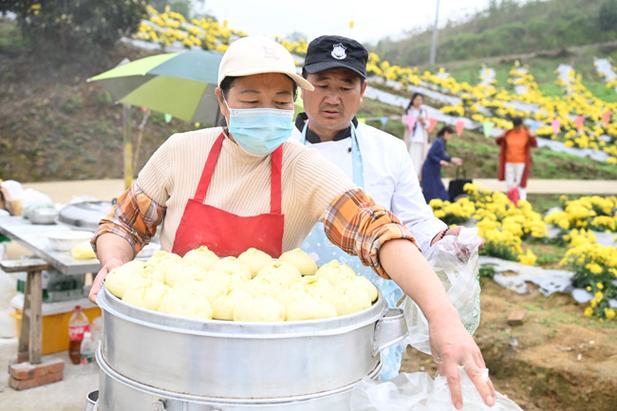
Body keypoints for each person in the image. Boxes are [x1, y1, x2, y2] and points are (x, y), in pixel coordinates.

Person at [89, 36, 495, 410]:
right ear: (223, 100)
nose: (268, 111)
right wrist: (113, 261)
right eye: (251, 100)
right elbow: (124, 224)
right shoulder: (181, 151)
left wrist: (442, 316)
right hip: (171, 347)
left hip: (260, 359)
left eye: (281, 101)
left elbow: (376, 231)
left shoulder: (301, 166)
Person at [292, 35, 460, 379]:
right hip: (289, 307)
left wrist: (444, 237)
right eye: (321, 84)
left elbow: (413, 219)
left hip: (368, 309)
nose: (332, 98)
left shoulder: (388, 149)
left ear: (363, 90)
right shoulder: (279, 146)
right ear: (302, 85)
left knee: (365, 391)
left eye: (345, 87)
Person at [496, 117, 537, 201]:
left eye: (518, 126)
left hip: (521, 162)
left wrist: (532, 137)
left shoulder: (526, 133)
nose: (517, 128)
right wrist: (500, 136)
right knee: (509, 183)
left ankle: (522, 201)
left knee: (520, 183)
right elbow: (498, 142)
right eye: (515, 126)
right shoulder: (508, 133)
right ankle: (510, 200)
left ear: (521, 125)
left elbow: (534, 144)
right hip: (508, 161)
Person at [422, 126, 463, 202]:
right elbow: (430, 154)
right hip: (429, 170)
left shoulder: (442, 143)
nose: (450, 137)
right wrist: (440, 161)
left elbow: (443, 156)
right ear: (446, 133)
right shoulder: (438, 142)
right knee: (430, 191)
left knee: (438, 191)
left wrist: (452, 159)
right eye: (450, 135)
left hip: (435, 170)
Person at [403, 93, 429, 177]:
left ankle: (416, 178)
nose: (418, 101)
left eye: (420, 100)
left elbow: (428, 125)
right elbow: (405, 122)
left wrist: (423, 122)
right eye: (417, 99)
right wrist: (415, 120)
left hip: (421, 139)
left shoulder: (424, 111)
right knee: (409, 159)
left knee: (419, 161)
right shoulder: (409, 111)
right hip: (411, 139)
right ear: (413, 100)